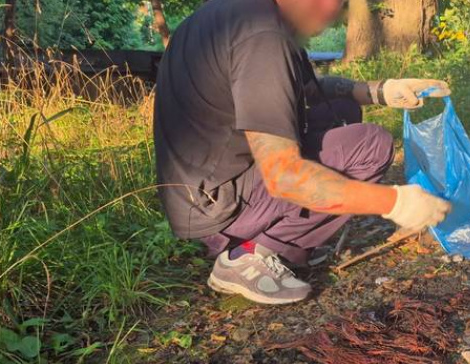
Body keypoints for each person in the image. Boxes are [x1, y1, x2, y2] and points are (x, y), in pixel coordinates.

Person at [154, 0, 452, 305]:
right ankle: (249, 254)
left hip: (202, 184)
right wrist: (395, 202)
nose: (333, 11)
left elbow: (307, 89)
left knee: (343, 110)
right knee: (371, 145)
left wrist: (383, 90)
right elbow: (284, 177)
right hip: (217, 206)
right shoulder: (264, 35)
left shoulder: (245, 13)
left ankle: (280, 234)